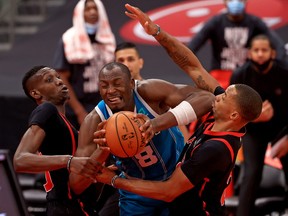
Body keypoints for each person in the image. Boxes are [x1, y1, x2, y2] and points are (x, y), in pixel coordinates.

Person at [92, 4, 263, 216]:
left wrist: (113, 180)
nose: (218, 95)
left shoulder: (216, 149)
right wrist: (157, 32)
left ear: (234, 114)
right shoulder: (217, 116)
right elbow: (192, 66)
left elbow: (167, 191)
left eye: (225, 96)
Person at [69, 61, 215, 215]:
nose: (110, 90)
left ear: (131, 83)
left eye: (117, 84)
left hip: (177, 179)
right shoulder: (94, 121)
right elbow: (76, 184)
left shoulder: (148, 92)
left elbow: (207, 98)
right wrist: (103, 151)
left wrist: (155, 124)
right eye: (104, 86)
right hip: (137, 191)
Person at [13, 66, 101, 216]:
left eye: (58, 77)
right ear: (35, 93)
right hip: (64, 207)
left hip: (76, 206)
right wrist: (69, 161)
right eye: (49, 80)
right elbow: (20, 160)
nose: (59, 81)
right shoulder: (46, 110)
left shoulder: (63, 122)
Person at [229, 34, 288, 216]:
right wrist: (256, 117)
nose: (260, 54)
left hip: (283, 129)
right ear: (249, 53)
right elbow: (232, 112)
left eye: (264, 50)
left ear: (273, 53)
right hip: (254, 129)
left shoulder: (285, 73)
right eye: (256, 50)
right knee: (252, 175)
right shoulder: (240, 75)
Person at [52, 0, 116, 130]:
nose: (92, 12)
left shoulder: (107, 37)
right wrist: (79, 111)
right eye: (88, 9)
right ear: (80, 13)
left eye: (95, 8)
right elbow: (62, 78)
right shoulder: (69, 39)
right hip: (76, 108)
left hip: (103, 105)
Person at [115, 41, 191, 141]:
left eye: (130, 59)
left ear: (140, 62)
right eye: (121, 61)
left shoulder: (155, 92)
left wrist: (186, 154)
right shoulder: (112, 101)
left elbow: (178, 124)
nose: (126, 65)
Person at [187, 0, 286, 72]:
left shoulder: (254, 22)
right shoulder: (216, 22)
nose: (235, 1)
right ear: (224, 2)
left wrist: (274, 68)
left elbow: (278, 46)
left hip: (247, 73)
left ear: (246, 1)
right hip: (220, 73)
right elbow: (192, 46)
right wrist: (198, 71)